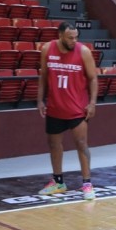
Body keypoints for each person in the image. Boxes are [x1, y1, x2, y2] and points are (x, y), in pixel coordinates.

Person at [37, 22, 98, 200]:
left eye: (76, 37)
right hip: (55, 107)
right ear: (60, 35)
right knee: (54, 145)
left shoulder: (83, 52)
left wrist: (92, 103)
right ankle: (58, 182)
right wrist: (40, 100)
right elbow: (43, 76)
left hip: (77, 108)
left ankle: (87, 183)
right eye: (70, 37)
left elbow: (93, 78)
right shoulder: (47, 49)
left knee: (81, 143)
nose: (74, 40)